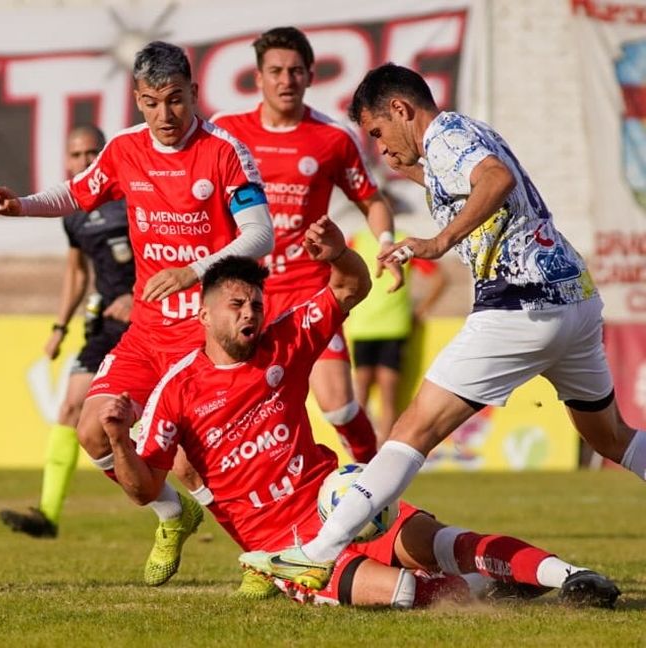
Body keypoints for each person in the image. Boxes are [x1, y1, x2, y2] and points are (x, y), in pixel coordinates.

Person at [240, 64, 641, 609]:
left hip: (520, 305)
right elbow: (469, 179)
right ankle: (322, 548)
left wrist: (436, 241)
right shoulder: (458, 137)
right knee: (611, 437)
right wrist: (410, 170)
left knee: (412, 430)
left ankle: (319, 551)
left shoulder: (446, 135)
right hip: (573, 299)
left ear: (402, 110)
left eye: (379, 131)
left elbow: (494, 179)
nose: (380, 144)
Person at [100, 234, 621, 608]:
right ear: (205, 316)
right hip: (287, 548)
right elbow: (144, 488)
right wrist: (120, 440)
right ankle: (488, 587)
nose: (250, 314)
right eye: (236, 304)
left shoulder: (283, 338)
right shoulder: (178, 389)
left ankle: (572, 575)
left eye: (255, 303)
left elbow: (350, 288)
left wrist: (340, 254)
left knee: (444, 542)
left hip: (336, 496)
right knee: (404, 591)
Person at [0, 41, 275, 585]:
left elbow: (260, 234)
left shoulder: (225, 151)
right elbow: (75, 194)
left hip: (206, 336)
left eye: (175, 100)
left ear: (193, 92)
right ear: (136, 100)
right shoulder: (124, 149)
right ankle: (173, 513)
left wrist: (194, 271)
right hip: (146, 334)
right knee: (92, 430)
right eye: (150, 103)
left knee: (193, 459)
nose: (164, 116)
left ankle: (261, 553)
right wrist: (20, 204)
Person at [212, 27, 399, 464]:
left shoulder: (332, 138)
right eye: (275, 70)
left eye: (295, 71)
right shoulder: (225, 133)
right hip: (245, 295)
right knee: (241, 410)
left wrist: (386, 242)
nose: (286, 79)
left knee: (337, 403)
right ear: (257, 78)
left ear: (311, 76)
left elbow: (372, 201)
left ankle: (375, 487)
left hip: (308, 291)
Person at [0, 125, 134, 538]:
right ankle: (48, 513)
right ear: (66, 160)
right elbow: (76, 272)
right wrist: (59, 327)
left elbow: (165, 249)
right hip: (105, 325)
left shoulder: (132, 197)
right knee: (70, 410)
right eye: (76, 155)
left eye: (93, 153)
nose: (85, 162)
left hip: (153, 318)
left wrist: (138, 298)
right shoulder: (73, 213)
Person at [348, 222, 447, 442]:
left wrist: (421, 309)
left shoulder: (359, 240)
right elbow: (440, 278)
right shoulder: (397, 239)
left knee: (373, 394)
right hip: (378, 327)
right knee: (381, 395)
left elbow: (440, 278)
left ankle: (368, 449)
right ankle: (371, 448)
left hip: (379, 327)